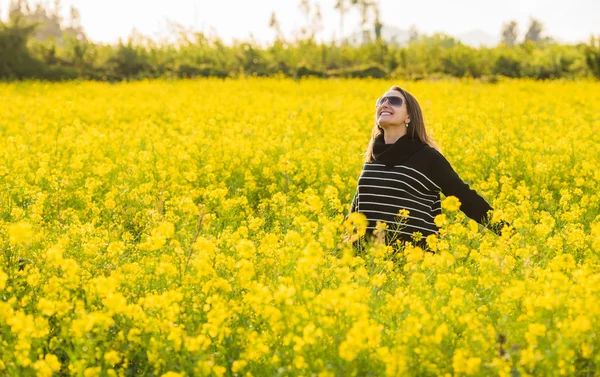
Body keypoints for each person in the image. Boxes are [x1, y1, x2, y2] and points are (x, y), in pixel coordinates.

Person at [344, 85, 510, 255]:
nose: (384, 104)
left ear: (409, 116)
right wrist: (344, 252)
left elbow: (465, 197)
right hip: (368, 265)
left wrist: (509, 233)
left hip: (411, 264)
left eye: (394, 101)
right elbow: (357, 209)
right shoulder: (372, 158)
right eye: (380, 101)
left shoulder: (426, 157)